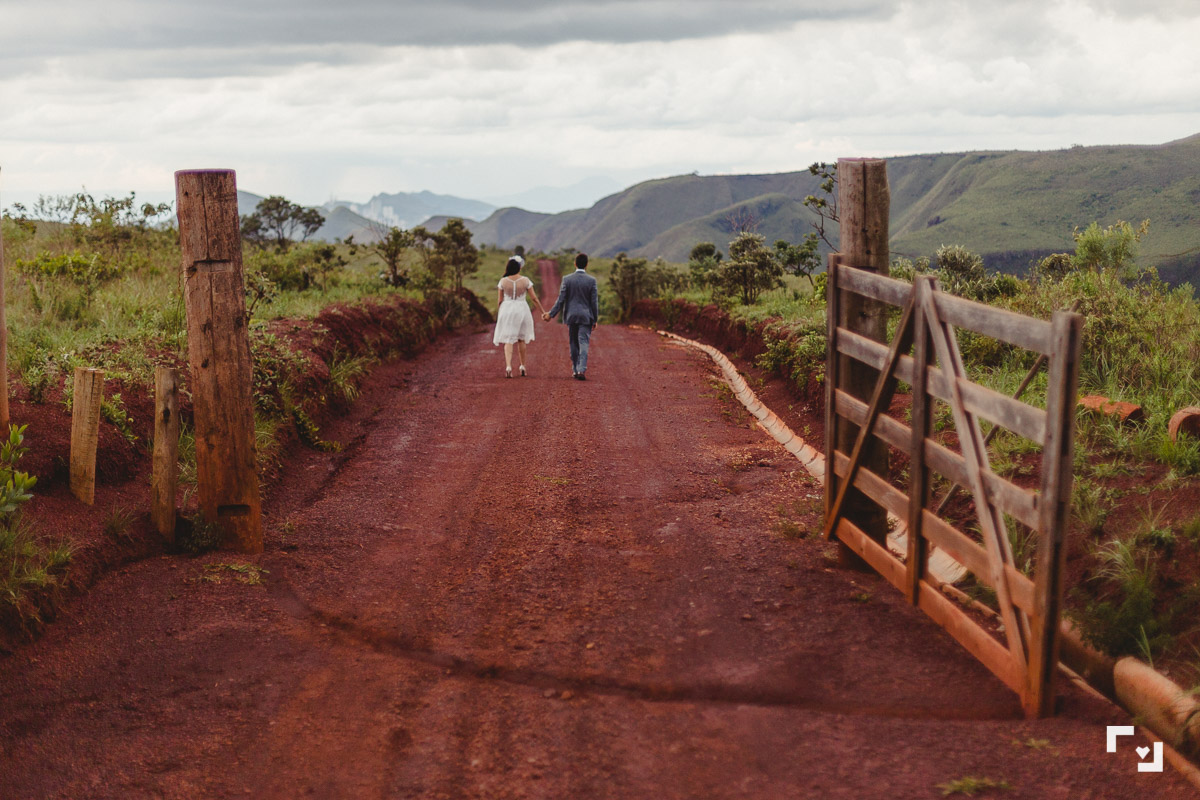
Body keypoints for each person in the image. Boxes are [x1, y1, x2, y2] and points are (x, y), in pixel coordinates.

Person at [543, 252, 599, 380]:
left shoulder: (567, 279)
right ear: (587, 265)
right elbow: (594, 302)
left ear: (575, 264)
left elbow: (561, 300)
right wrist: (595, 319)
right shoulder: (591, 281)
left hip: (571, 316)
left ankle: (575, 369)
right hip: (586, 317)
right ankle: (581, 370)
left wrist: (551, 315)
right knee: (583, 342)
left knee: (573, 342)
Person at [493, 255, 546, 377]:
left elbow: (500, 300)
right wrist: (543, 312)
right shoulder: (526, 280)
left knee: (508, 339)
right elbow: (534, 298)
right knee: (521, 339)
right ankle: (522, 366)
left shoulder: (503, 281)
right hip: (522, 309)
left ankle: (508, 367)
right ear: (519, 268)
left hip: (507, 309)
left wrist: (500, 313)